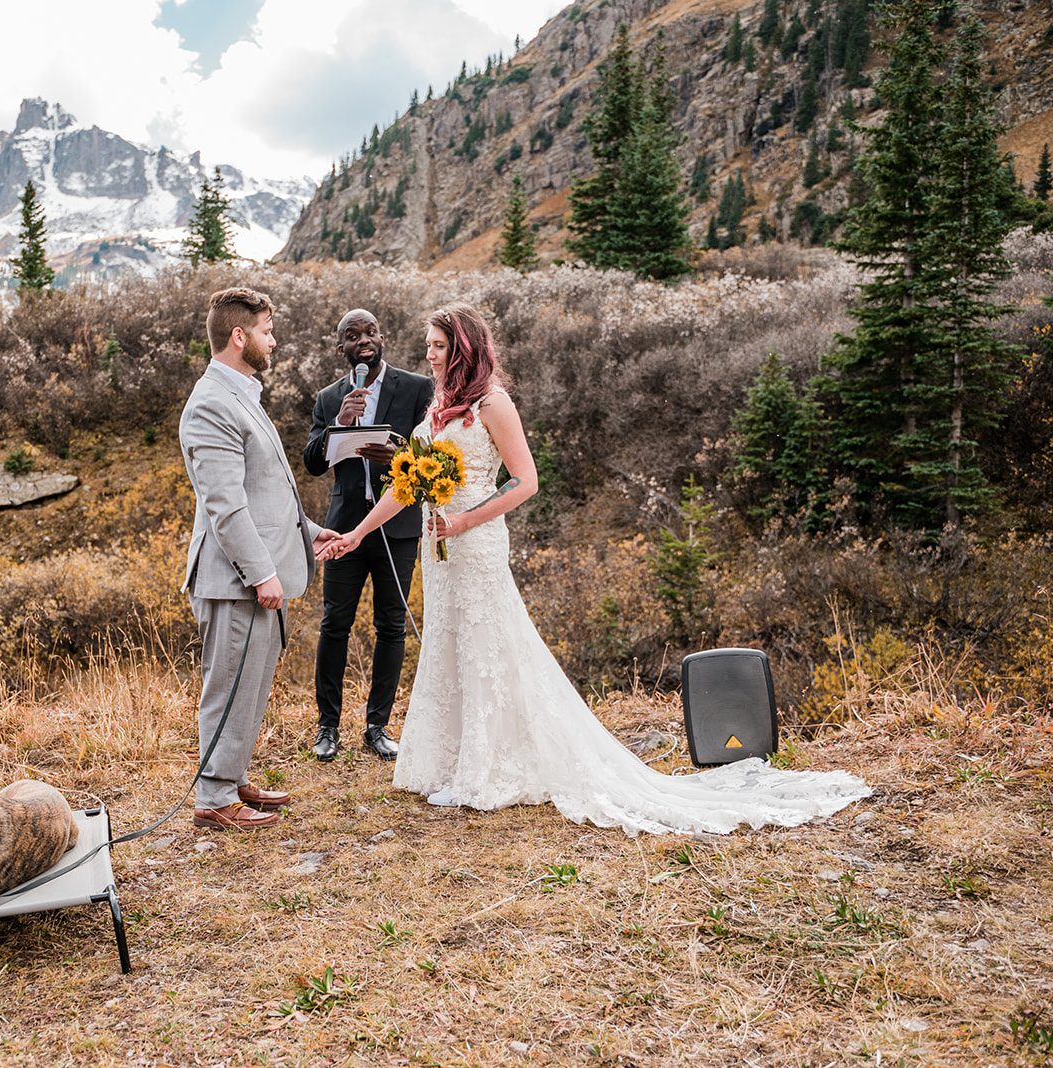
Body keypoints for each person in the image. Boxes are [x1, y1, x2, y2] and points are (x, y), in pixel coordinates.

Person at [319, 303, 869, 835]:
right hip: (441, 557)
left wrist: (466, 522)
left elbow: (525, 481)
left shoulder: (493, 403)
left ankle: (489, 768)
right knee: (449, 646)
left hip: (477, 544)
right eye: (429, 347)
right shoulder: (438, 408)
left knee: (489, 647)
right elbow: (405, 483)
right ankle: (447, 759)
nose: (430, 356)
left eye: (438, 347)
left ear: (462, 349)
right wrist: (357, 533)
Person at [179, 287, 338, 831]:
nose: (275, 341)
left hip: (257, 573)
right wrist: (262, 572)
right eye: (268, 331)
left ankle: (232, 774)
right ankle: (214, 799)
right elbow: (225, 505)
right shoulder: (210, 404)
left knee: (250, 684)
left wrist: (310, 532)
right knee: (227, 684)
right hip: (234, 580)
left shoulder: (243, 392)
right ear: (239, 335)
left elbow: (268, 494)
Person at [302, 309, 434, 763]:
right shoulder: (329, 397)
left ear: (382, 338)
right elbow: (314, 462)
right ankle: (328, 727)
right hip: (343, 526)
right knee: (334, 624)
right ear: (340, 347)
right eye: (352, 335)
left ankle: (378, 726)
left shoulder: (417, 388)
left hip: (396, 526)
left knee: (391, 625)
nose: (364, 340)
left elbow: (430, 453)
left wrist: (395, 451)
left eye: (371, 332)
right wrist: (338, 423)